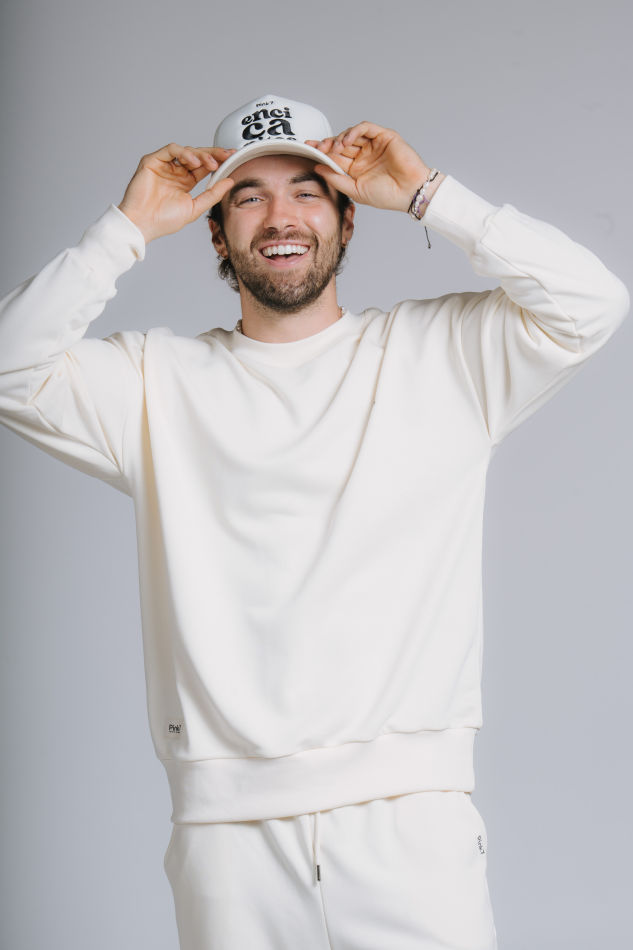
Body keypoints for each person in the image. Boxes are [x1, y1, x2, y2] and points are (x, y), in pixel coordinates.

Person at [0, 92, 629, 950]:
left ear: (346, 217)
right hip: (227, 841)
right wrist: (126, 229)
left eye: (306, 190)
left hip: (410, 826)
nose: (280, 218)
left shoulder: (443, 355)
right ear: (215, 232)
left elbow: (591, 300)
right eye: (247, 197)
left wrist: (429, 195)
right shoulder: (153, 383)